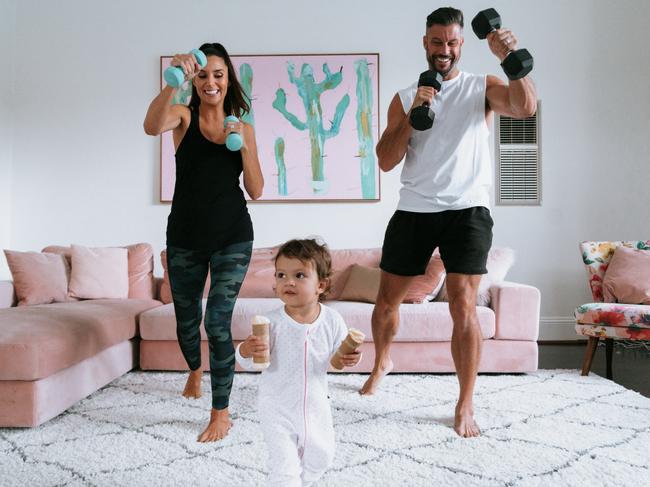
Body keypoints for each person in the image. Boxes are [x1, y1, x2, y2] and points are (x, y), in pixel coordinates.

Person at [359, 7, 537, 438]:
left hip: (468, 211)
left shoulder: (483, 87)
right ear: (425, 43)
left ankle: (464, 403)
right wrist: (416, 109)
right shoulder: (404, 97)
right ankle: (383, 358)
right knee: (386, 303)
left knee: (462, 304)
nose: (444, 50)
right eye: (436, 42)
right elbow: (385, 161)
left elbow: (525, 107)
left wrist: (508, 59)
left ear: (462, 44)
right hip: (415, 209)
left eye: (452, 42)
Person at [143, 42, 264, 442]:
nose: (211, 81)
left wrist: (243, 144)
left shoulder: (242, 127)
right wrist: (171, 81)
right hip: (185, 237)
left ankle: (221, 412)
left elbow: (257, 189)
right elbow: (150, 126)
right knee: (186, 323)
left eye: (218, 74)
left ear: (228, 80)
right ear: (194, 80)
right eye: (203, 75)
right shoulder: (182, 116)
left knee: (217, 321)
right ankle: (195, 368)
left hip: (233, 236)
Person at [236, 239, 361, 486]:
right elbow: (251, 364)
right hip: (276, 406)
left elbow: (336, 361)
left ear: (321, 286)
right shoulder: (269, 322)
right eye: (281, 275)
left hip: (316, 405)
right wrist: (246, 350)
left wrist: (349, 357)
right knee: (284, 468)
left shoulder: (332, 320)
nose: (288, 281)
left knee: (322, 457)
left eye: (299, 275)